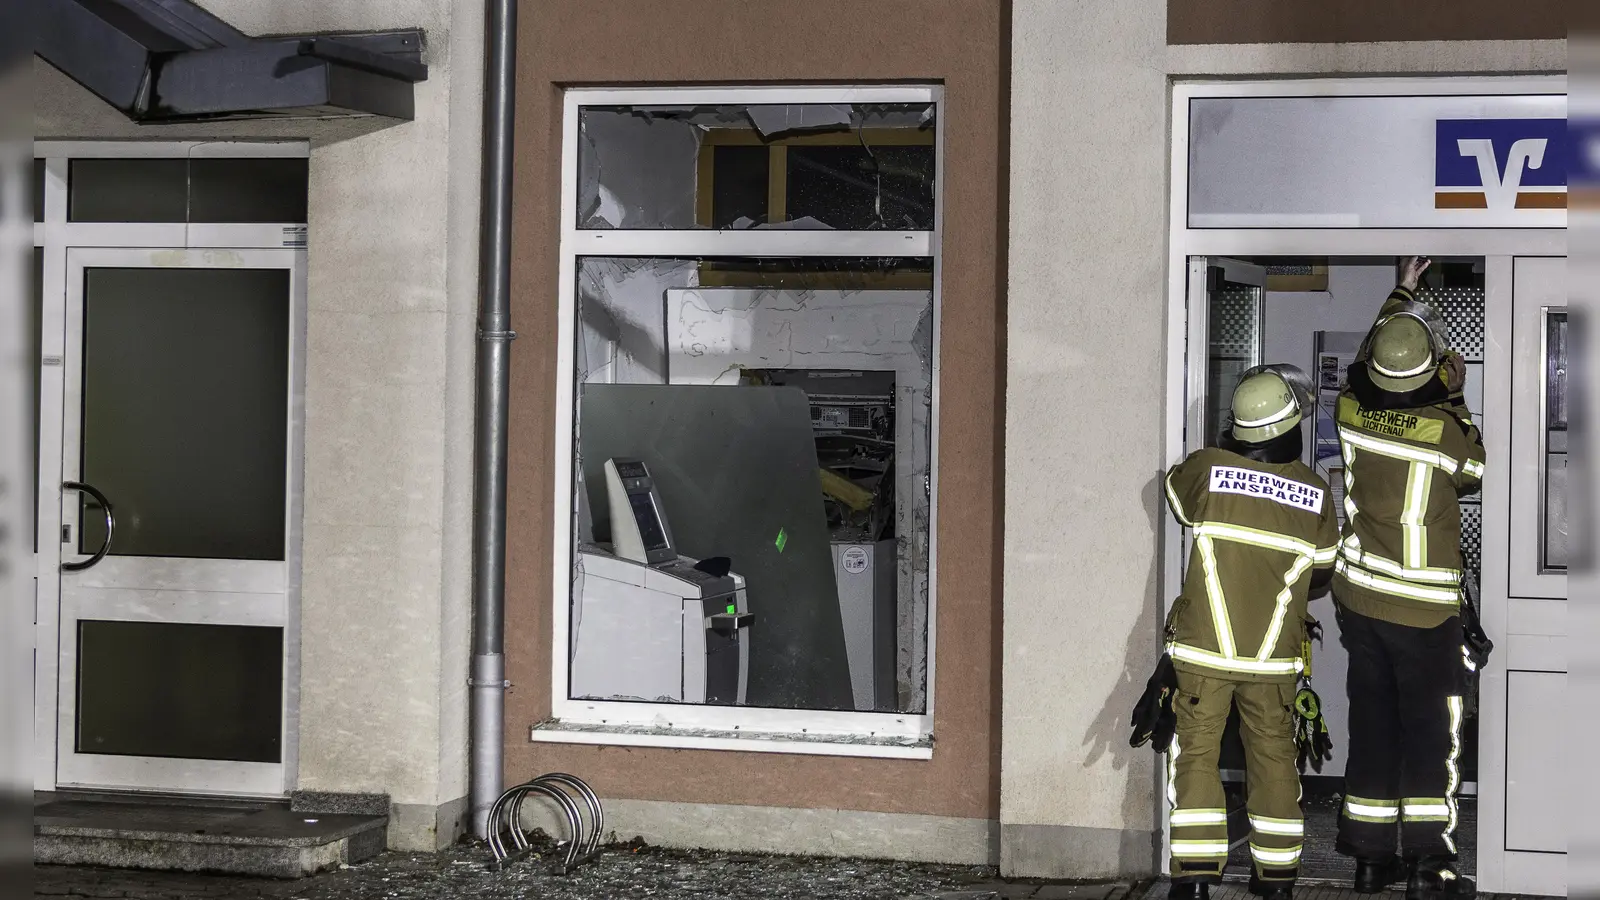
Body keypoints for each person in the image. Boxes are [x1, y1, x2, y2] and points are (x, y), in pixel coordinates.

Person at [1331, 257, 1485, 898]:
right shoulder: (1447, 432)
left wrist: (1402, 293)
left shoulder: (1347, 411)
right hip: (1423, 614)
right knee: (1428, 735)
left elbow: (1374, 361)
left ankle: (1370, 860)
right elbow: (1475, 473)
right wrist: (1455, 394)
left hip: (1362, 604)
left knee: (1372, 728)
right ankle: (1427, 865)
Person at [1162, 365, 1342, 900]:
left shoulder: (1209, 469)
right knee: (1273, 757)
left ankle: (1194, 881)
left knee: (1196, 754)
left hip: (1204, 652)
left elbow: (1175, 493)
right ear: (1290, 428)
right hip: (1273, 660)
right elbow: (1321, 580)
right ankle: (1278, 879)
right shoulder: (1314, 494)